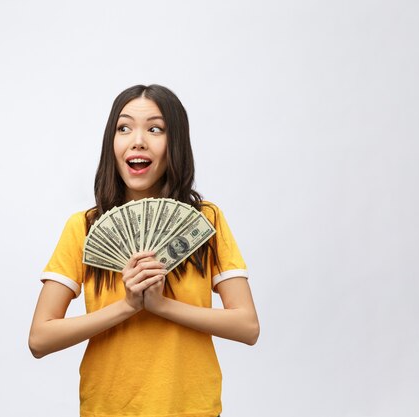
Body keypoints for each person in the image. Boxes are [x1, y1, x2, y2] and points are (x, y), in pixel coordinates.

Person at [29, 84, 260, 417]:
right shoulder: (83, 227)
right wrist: (129, 305)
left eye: (155, 129)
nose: (138, 140)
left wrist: (160, 305)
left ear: (174, 144)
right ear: (112, 143)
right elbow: (40, 338)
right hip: (108, 408)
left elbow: (247, 326)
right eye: (124, 128)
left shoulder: (206, 221)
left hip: (191, 409)